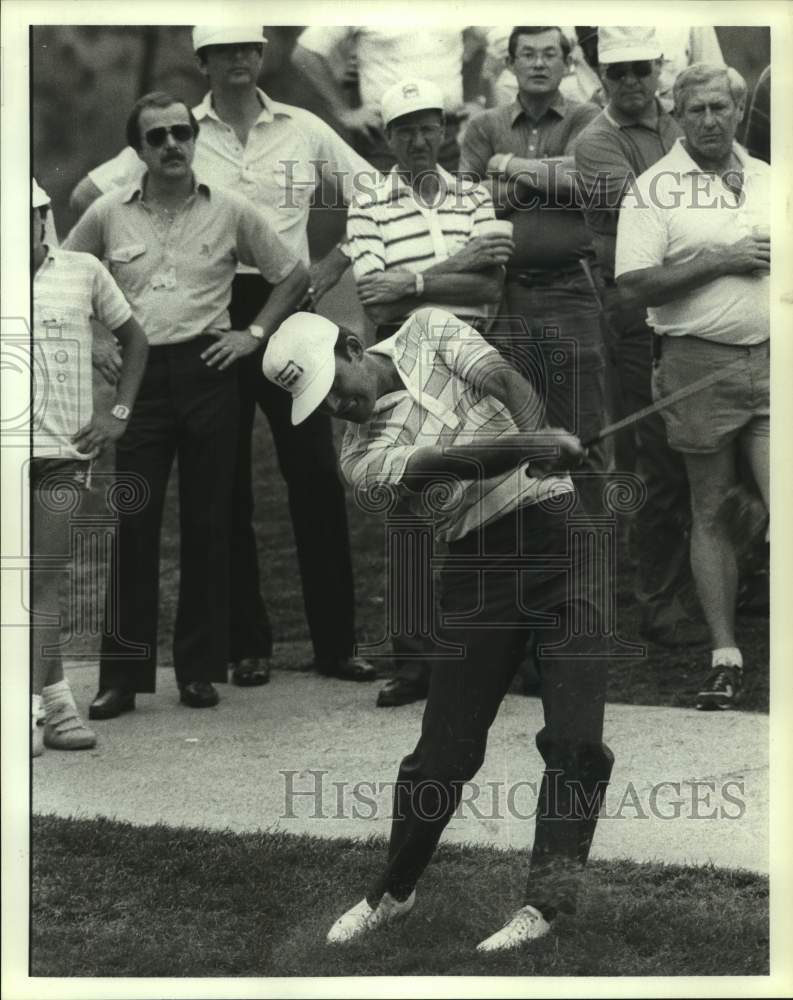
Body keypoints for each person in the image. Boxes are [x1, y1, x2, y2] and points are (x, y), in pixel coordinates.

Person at [262, 307, 614, 951]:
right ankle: (393, 891)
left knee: (577, 741)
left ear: (352, 345)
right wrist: (527, 447)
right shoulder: (360, 458)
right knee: (444, 752)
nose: (341, 407)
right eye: (324, 406)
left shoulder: (428, 328)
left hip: (561, 536)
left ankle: (547, 906)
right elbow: (440, 465)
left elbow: (505, 380)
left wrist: (539, 447)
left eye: (338, 388)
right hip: (476, 567)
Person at [69, 26, 378, 686]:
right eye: (224, 52)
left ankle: (336, 642)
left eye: (250, 50)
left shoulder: (302, 127)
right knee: (224, 484)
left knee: (315, 474)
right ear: (203, 61)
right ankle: (245, 644)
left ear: (262, 56)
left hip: (287, 303)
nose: (239, 62)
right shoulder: (179, 130)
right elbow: (88, 200)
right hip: (212, 310)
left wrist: (330, 267)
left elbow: (379, 195)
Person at [63, 91, 309, 717]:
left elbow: (292, 274)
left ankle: (199, 670)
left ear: (194, 138)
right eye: (157, 137)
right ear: (138, 149)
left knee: (209, 523)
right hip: (141, 383)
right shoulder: (108, 214)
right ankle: (121, 679)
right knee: (134, 523)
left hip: (208, 372)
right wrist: (96, 339)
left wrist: (252, 335)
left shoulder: (230, 210)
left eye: (181, 132)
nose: (172, 144)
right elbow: (65, 274)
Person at [345, 77, 513, 706]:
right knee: (410, 509)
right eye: (405, 129)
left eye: (427, 126)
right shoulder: (368, 201)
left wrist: (412, 281)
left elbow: (492, 287)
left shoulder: (472, 193)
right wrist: (454, 268)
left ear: (443, 131)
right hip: (401, 357)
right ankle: (415, 663)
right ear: (387, 137)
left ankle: (493, 648)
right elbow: (370, 291)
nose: (418, 139)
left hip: (468, 351)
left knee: (492, 494)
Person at [614, 63, 769, 709]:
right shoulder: (652, 189)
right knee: (709, 510)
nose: (709, 120)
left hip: (773, 360)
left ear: (738, 109)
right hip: (695, 368)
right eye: (695, 109)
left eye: (720, 107)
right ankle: (724, 655)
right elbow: (633, 283)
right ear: (675, 115)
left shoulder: (768, 177)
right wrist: (718, 259)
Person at [573, 26, 708, 649]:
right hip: (635, 315)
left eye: (640, 70)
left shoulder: (683, 121)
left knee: (712, 445)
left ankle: (726, 577)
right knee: (653, 454)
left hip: (699, 303)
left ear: (659, 67)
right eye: (618, 71)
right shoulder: (594, 143)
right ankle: (658, 598)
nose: (630, 83)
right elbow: (658, 217)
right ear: (602, 74)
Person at [460, 26, 610, 483]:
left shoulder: (590, 119)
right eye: (528, 54)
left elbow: (588, 185)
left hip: (573, 291)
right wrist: (551, 178)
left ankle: (591, 550)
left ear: (568, 64)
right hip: (505, 296)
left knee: (585, 434)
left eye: (550, 54)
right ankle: (533, 547)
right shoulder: (485, 125)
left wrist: (508, 168)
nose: (540, 63)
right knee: (516, 431)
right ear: (510, 64)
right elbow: (468, 202)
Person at [30, 179, 149, 754]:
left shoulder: (81, 270)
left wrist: (118, 414)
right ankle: (56, 707)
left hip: (63, 458)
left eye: (26, 217)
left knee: (41, 583)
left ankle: (28, 711)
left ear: (43, 217)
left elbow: (135, 339)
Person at [291, 27, 487, 173]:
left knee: (455, 216)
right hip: (388, 137)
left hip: (449, 134)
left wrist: (474, 99)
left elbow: (491, 39)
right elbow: (305, 53)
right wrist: (344, 112)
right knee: (389, 217)